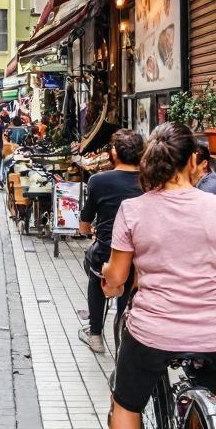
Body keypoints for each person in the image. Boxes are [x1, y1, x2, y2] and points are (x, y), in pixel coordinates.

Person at [102, 122, 216, 429]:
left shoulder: (133, 209)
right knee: (215, 404)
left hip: (153, 333)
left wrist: (109, 282)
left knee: (126, 404)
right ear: (193, 161)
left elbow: (116, 278)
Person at [75, 129, 144, 354]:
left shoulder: (98, 180)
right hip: (142, 253)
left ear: (114, 153)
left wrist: (91, 232)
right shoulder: (150, 181)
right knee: (129, 285)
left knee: (95, 273)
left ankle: (96, 334)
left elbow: (85, 223)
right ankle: (125, 333)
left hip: (108, 250)